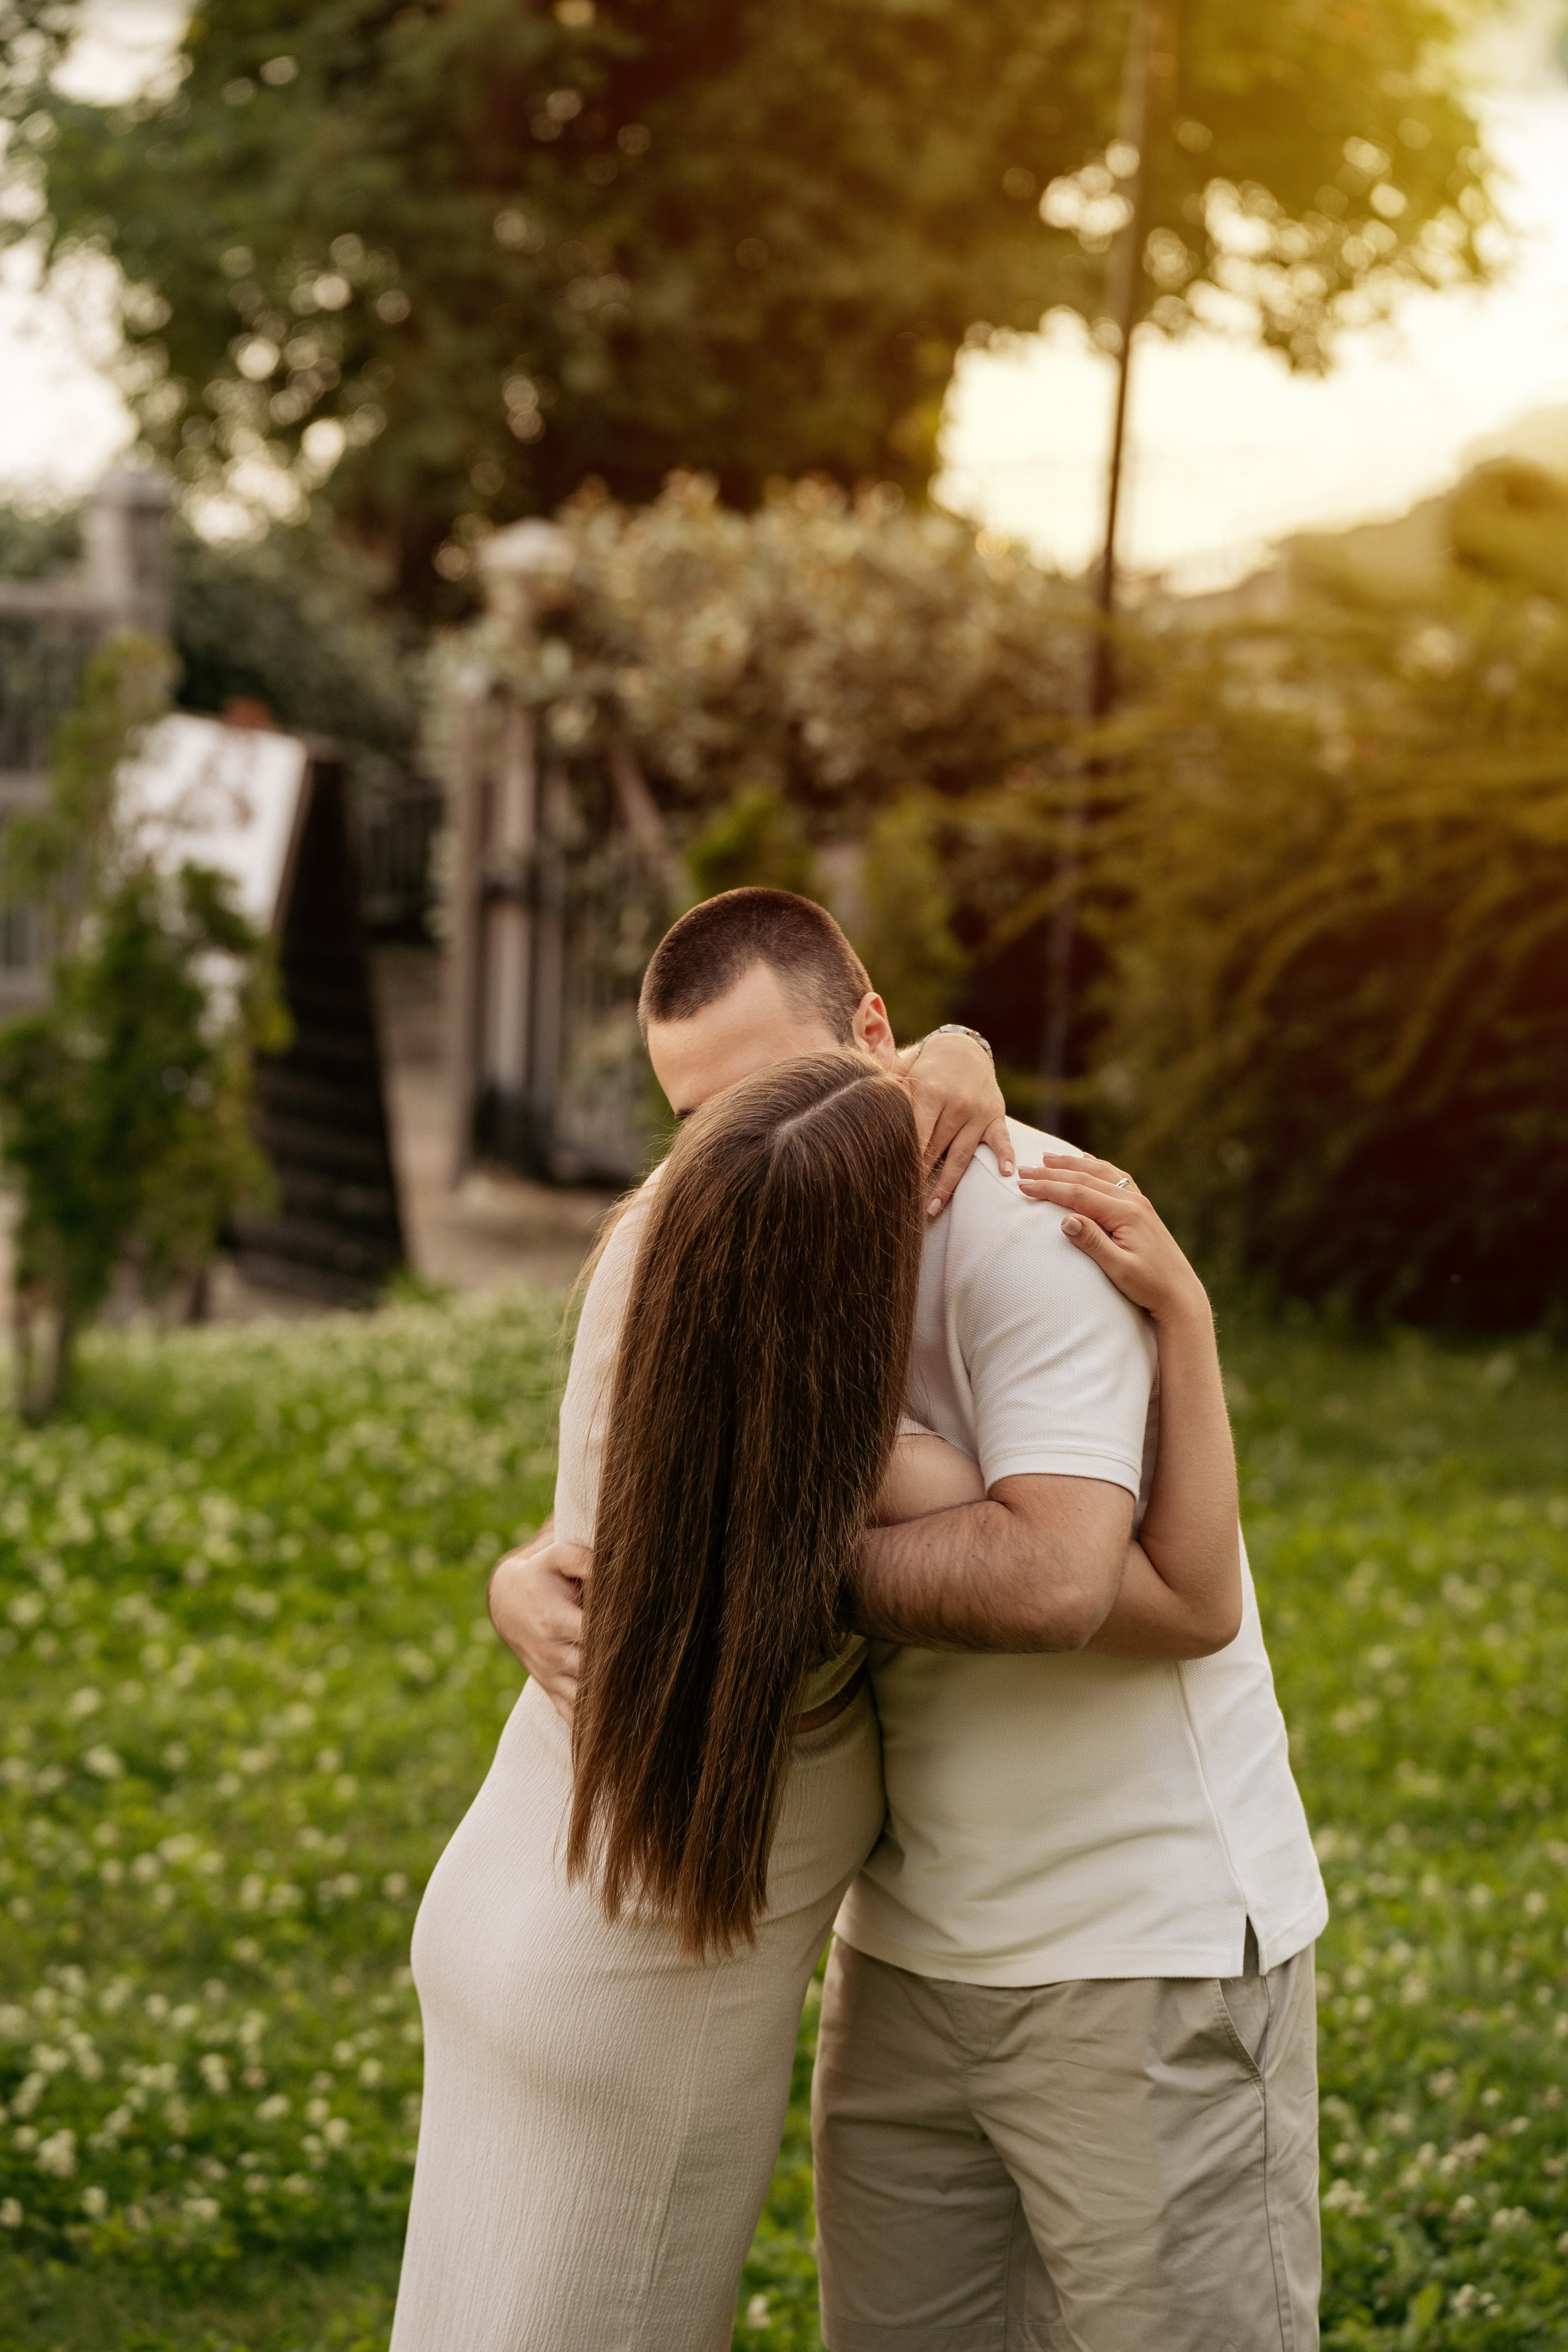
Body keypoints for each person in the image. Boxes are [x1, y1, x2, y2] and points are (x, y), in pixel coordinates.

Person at [496, 886, 1327, 2352]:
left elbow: (1068, 1584)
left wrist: (748, 1560)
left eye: (772, 1087)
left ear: (873, 1033)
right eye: (695, 1119)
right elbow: (634, 1477)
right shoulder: (731, 1235)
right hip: (904, 1952)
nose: (739, 1145)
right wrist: (533, 1578)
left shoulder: (1032, 1227)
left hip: (1131, 1949)